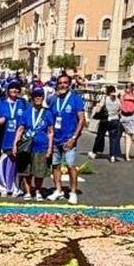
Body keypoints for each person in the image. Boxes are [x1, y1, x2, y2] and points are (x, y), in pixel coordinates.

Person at [48, 74, 86, 205]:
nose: (62, 85)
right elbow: (50, 119)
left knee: (70, 166)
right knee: (56, 165)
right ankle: (58, 189)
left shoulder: (76, 99)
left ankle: (73, 192)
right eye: (60, 83)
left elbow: (82, 120)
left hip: (69, 138)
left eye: (65, 83)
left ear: (69, 84)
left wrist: (74, 138)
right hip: (56, 139)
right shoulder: (53, 100)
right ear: (57, 85)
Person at [15, 87, 54, 201]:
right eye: (36, 96)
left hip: (41, 146)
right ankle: (28, 191)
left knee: (39, 171)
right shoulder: (26, 112)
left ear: (43, 98)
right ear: (32, 98)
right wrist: (15, 145)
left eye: (40, 96)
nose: (38, 98)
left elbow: (50, 132)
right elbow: (20, 129)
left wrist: (50, 148)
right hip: (27, 146)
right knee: (27, 170)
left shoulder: (48, 113)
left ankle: (38, 191)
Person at [0, 79, 26, 197]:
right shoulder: (2, 104)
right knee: (4, 161)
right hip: (5, 137)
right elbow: (0, 118)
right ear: (8, 90)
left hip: (19, 138)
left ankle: (14, 186)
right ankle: (3, 187)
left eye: (16, 88)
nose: (14, 90)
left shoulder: (23, 103)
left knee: (16, 164)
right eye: (12, 88)